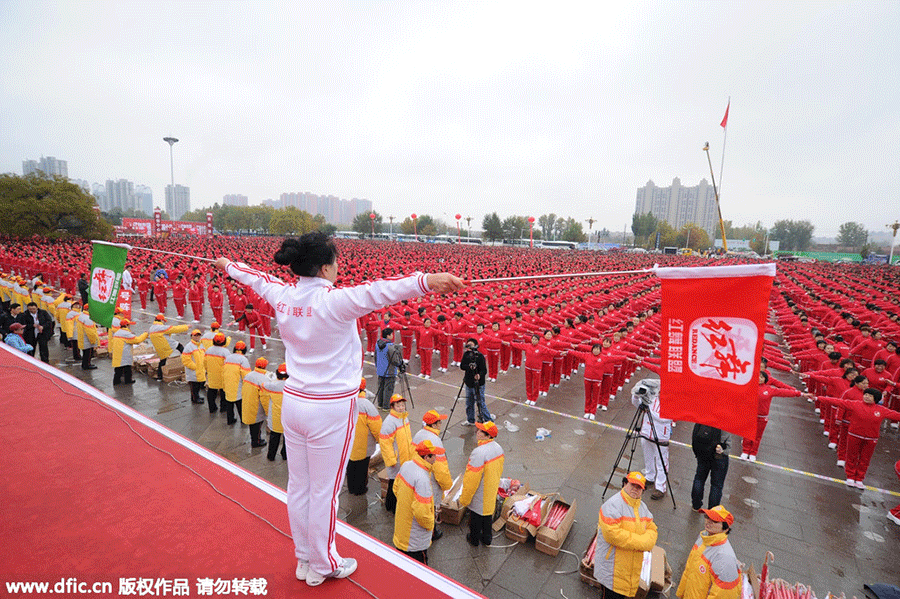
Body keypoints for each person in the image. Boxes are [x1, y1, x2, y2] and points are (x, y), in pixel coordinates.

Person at [215, 232, 464, 587]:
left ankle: (306, 558)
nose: (339, 267)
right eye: (336, 262)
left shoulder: (284, 295)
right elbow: (382, 290)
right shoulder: (335, 301)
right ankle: (324, 562)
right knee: (325, 492)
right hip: (329, 410)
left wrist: (228, 265)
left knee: (299, 486)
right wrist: (427, 281)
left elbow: (255, 277)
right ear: (326, 267)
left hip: (295, 401)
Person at [593, 471, 658, 599]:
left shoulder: (642, 508)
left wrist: (645, 542)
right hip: (612, 570)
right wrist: (642, 542)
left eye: (639, 487)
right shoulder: (612, 505)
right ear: (624, 484)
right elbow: (613, 535)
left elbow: (653, 531)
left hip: (629, 570)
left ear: (642, 491)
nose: (635, 489)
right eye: (632, 484)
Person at [817, 389, 900, 488]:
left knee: (865, 460)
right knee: (851, 456)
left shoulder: (881, 410)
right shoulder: (856, 404)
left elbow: (896, 415)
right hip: (854, 435)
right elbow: (839, 402)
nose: (866, 397)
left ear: (876, 399)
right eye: (866, 395)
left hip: (871, 439)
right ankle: (850, 476)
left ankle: (860, 478)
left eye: (870, 396)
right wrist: (819, 398)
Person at [392, 440, 442, 565]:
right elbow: (422, 514)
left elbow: (395, 488)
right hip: (414, 540)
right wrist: (431, 524)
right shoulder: (423, 480)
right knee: (420, 569)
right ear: (426, 457)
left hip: (402, 530)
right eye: (434, 456)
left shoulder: (407, 465)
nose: (436, 458)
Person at [676, 505, 740, 599]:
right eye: (707, 517)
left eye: (714, 520)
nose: (708, 521)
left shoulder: (724, 558)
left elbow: (722, 595)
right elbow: (689, 570)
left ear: (725, 528)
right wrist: (681, 593)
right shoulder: (704, 538)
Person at [459, 421, 504, 547]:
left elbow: (471, 480)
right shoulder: (498, 448)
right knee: (488, 516)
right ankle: (487, 538)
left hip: (480, 492)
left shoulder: (478, 453)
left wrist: (464, 499)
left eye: (480, 431)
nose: (477, 432)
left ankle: (474, 539)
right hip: (491, 488)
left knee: (476, 518)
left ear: (488, 436)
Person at [411, 409, 452, 540]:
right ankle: (432, 532)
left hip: (416, 475)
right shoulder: (435, 440)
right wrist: (446, 485)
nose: (441, 424)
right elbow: (440, 469)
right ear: (434, 425)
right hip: (430, 482)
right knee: (430, 508)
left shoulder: (418, 434)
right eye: (439, 422)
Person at [630, 379, 672, 501]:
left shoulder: (671, 403)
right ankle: (650, 477)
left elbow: (664, 418)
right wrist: (636, 395)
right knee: (648, 457)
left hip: (660, 436)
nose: (660, 393)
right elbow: (637, 405)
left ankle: (660, 487)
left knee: (661, 462)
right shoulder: (651, 399)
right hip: (646, 433)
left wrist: (648, 409)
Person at [346, 378, 382, 494]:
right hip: (363, 446)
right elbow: (377, 428)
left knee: (351, 467)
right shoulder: (367, 406)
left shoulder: (346, 401)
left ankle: (351, 488)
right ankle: (359, 490)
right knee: (361, 469)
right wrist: (381, 441)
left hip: (348, 444)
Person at [380, 393, 413, 513]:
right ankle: (392, 507)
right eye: (398, 405)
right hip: (396, 460)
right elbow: (385, 444)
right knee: (394, 484)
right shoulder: (389, 422)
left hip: (405, 458)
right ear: (392, 406)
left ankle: (391, 505)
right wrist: (391, 460)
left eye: (402, 405)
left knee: (398, 484)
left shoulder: (404, 418)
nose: (401, 407)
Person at [690, 424, 730, 511]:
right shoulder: (727, 420)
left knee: (699, 479)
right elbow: (728, 446)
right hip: (719, 456)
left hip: (703, 453)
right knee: (716, 485)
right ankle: (712, 511)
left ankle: (696, 505)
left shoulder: (705, 415)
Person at [460, 338, 492, 425]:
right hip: (468, 383)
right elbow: (462, 366)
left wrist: (479, 375)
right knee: (469, 403)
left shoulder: (480, 356)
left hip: (478, 384)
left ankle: (488, 421)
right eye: (468, 344)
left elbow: (484, 370)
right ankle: (470, 420)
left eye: (471, 344)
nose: (469, 346)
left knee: (481, 403)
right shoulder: (466, 355)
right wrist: (469, 367)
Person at [241, 357, 271, 447]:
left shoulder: (248, 375)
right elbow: (265, 399)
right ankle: (256, 442)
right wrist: (268, 412)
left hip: (247, 403)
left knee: (252, 426)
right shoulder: (263, 380)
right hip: (256, 407)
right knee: (257, 426)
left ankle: (255, 439)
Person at [148, 314, 187, 381]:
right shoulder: (160, 327)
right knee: (180, 347)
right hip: (166, 344)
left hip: (158, 346)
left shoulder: (151, 327)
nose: (164, 322)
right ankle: (187, 362)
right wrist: (186, 327)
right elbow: (174, 329)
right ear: (161, 320)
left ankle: (160, 377)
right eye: (163, 321)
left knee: (163, 360)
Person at [263, 363, 289, 461]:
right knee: (287, 438)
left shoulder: (272, 385)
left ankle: (271, 456)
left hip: (275, 417)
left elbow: (263, 384)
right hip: (288, 417)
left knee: (274, 437)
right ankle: (285, 455)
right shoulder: (292, 386)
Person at [111, 319, 147, 385]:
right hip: (124, 354)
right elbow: (137, 340)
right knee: (127, 368)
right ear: (126, 325)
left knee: (118, 369)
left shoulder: (118, 332)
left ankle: (116, 381)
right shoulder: (126, 334)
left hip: (117, 353)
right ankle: (128, 381)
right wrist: (145, 334)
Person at [375, 327, 403, 410]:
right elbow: (395, 361)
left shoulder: (377, 344)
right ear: (388, 335)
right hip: (389, 371)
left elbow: (375, 357)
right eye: (391, 334)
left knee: (381, 387)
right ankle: (386, 406)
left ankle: (380, 404)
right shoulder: (390, 346)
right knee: (388, 389)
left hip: (380, 370)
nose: (392, 336)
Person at [223, 341, 251, 418]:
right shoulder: (243, 359)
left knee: (229, 403)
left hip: (227, 384)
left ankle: (230, 420)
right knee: (239, 404)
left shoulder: (228, 358)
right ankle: (243, 419)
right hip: (237, 386)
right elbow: (246, 376)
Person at [204, 333, 230, 414]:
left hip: (212, 374)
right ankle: (223, 408)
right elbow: (228, 364)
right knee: (223, 392)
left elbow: (204, 362)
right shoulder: (225, 352)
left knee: (211, 391)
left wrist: (208, 370)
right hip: (223, 376)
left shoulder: (208, 350)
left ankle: (212, 408)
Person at [181, 330, 207, 404]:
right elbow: (186, 360)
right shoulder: (188, 347)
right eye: (195, 335)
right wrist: (195, 367)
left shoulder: (201, 345)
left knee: (198, 385)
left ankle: (197, 397)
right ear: (191, 336)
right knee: (194, 386)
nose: (197, 337)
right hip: (194, 371)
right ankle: (195, 399)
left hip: (200, 370)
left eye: (198, 335)